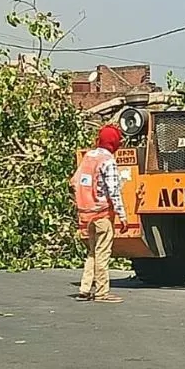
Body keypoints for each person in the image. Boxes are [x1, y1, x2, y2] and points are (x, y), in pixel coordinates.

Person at [71, 125, 129, 303]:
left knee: (92, 253)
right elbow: (113, 191)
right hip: (102, 214)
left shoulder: (88, 157)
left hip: (86, 214)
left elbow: (74, 182)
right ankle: (102, 292)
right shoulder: (108, 160)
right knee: (102, 253)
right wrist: (122, 215)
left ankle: (85, 288)